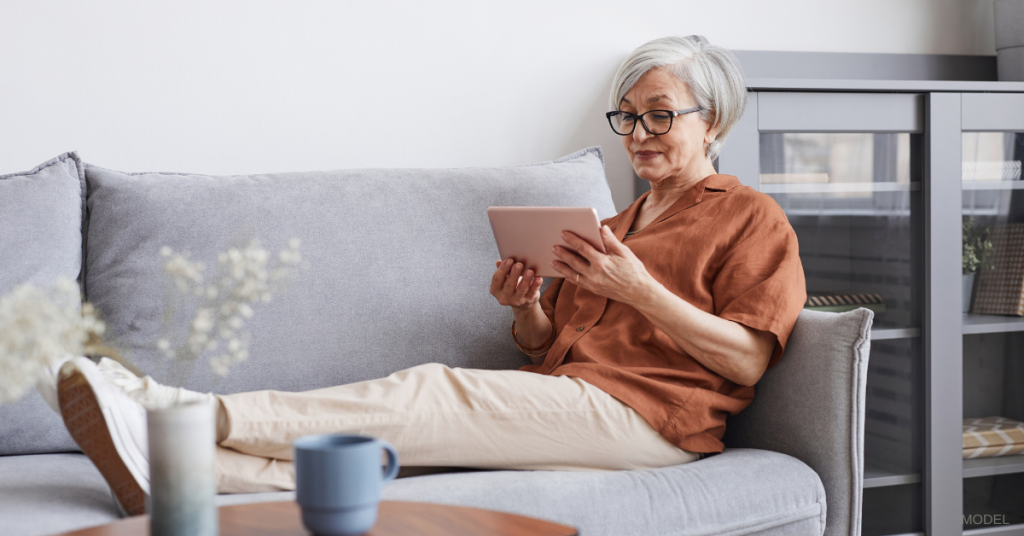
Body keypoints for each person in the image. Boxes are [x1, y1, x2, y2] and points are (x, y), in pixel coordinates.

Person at [56, 35, 806, 516]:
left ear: (714, 121)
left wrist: (637, 289)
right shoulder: (608, 227)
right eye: (628, 117)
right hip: (573, 398)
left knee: (432, 389)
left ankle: (176, 411)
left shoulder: (749, 217)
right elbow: (549, 351)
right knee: (391, 456)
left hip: (656, 422)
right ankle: (179, 476)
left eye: (660, 115)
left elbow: (746, 356)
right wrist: (528, 312)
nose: (638, 134)